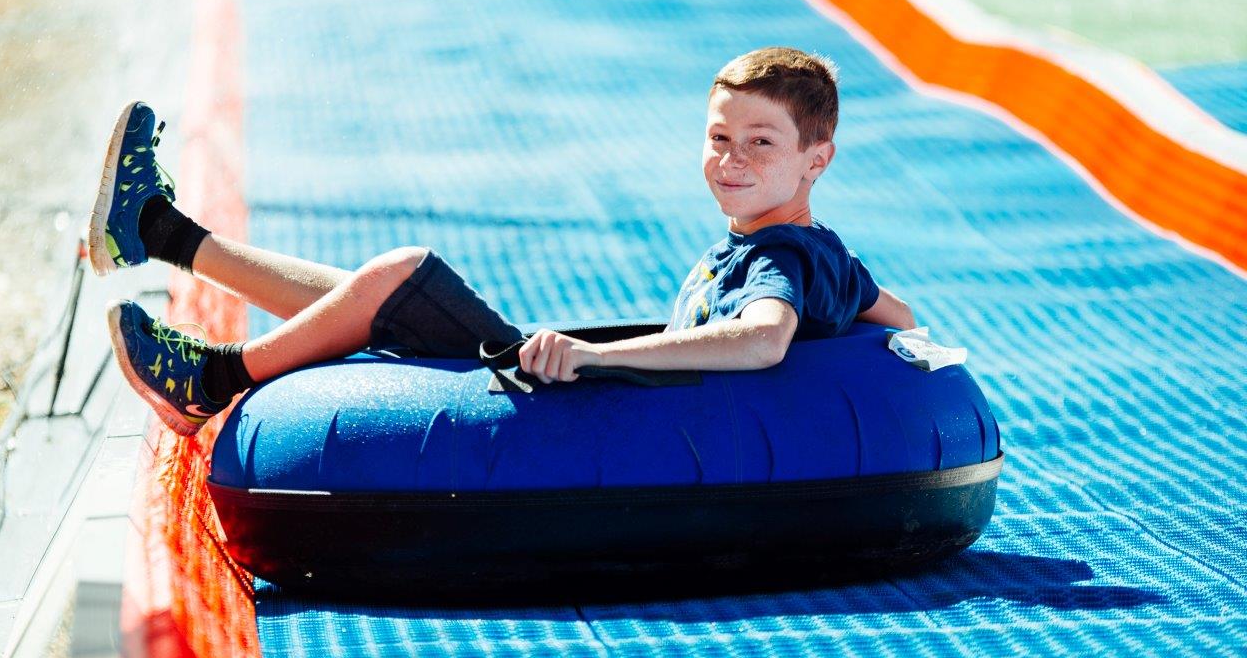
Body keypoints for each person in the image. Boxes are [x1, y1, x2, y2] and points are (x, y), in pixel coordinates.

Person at [90, 46, 915, 437]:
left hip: (585, 400)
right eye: (718, 136)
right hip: (591, 382)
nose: (731, 159)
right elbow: (896, 315)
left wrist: (591, 360)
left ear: (817, 159)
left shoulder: (781, 258)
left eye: (761, 143)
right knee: (371, 295)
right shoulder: (820, 255)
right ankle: (160, 231)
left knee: (404, 273)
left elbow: (765, 339)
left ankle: (211, 379)